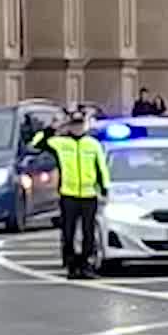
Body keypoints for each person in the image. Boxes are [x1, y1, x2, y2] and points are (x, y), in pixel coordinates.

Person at [30, 112, 109, 279]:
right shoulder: (61, 143)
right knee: (68, 233)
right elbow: (36, 143)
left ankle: (86, 264)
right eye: (74, 124)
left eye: (80, 124)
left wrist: (104, 187)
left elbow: (101, 167)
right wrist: (52, 128)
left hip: (89, 195)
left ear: (84, 125)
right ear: (69, 126)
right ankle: (71, 265)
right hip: (68, 195)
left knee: (89, 233)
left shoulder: (93, 144)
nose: (77, 128)